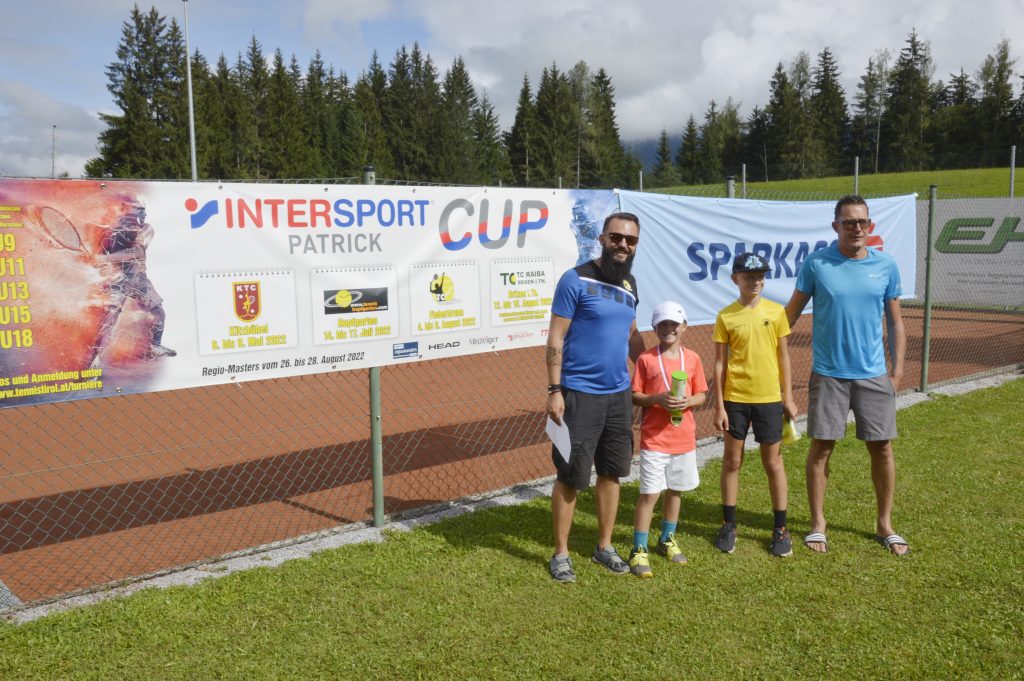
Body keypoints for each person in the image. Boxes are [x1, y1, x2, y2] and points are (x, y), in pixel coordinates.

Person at [784, 195, 909, 556]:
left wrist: (897, 372)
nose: (856, 228)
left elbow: (896, 323)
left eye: (862, 222)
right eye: (849, 222)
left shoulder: (886, 265)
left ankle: (884, 524)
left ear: (870, 226)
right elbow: (789, 316)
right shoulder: (817, 264)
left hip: (874, 376)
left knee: (882, 448)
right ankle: (817, 525)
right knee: (821, 448)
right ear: (835, 225)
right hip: (829, 376)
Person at [545, 212, 646, 583]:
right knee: (570, 476)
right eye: (616, 237)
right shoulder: (575, 279)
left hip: (619, 396)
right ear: (603, 239)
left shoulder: (630, 284)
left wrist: (651, 370)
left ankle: (604, 546)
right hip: (578, 395)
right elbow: (556, 337)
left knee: (611, 473)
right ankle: (560, 554)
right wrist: (554, 390)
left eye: (630, 240)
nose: (623, 245)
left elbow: (631, 333)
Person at [712, 253, 798, 557]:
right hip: (735, 399)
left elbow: (783, 357)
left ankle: (781, 528)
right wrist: (719, 405)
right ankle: (729, 524)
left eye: (760, 276)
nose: (756, 281)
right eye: (749, 276)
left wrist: (788, 397)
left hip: (769, 400)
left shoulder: (776, 312)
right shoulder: (726, 316)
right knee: (732, 461)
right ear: (735, 279)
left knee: (773, 462)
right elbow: (719, 364)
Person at [627, 301, 707, 578]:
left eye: (674, 324)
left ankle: (666, 539)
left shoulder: (692, 359)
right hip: (655, 440)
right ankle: (639, 549)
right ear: (654, 327)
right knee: (650, 494)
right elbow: (635, 395)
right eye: (662, 324)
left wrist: (688, 402)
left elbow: (701, 394)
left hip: (683, 440)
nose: (668, 329)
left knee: (675, 490)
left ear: (684, 327)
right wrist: (657, 399)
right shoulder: (646, 359)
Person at [88, 195, 176, 367]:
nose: (144, 214)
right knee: (108, 321)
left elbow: (136, 252)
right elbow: (101, 256)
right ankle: (93, 362)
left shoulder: (145, 229)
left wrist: (104, 259)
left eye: (143, 210)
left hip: (138, 280)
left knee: (158, 312)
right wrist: (98, 261)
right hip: (118, 280)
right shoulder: (111, 231)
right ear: (127, 210)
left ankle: (154, 347)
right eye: (140, 210)